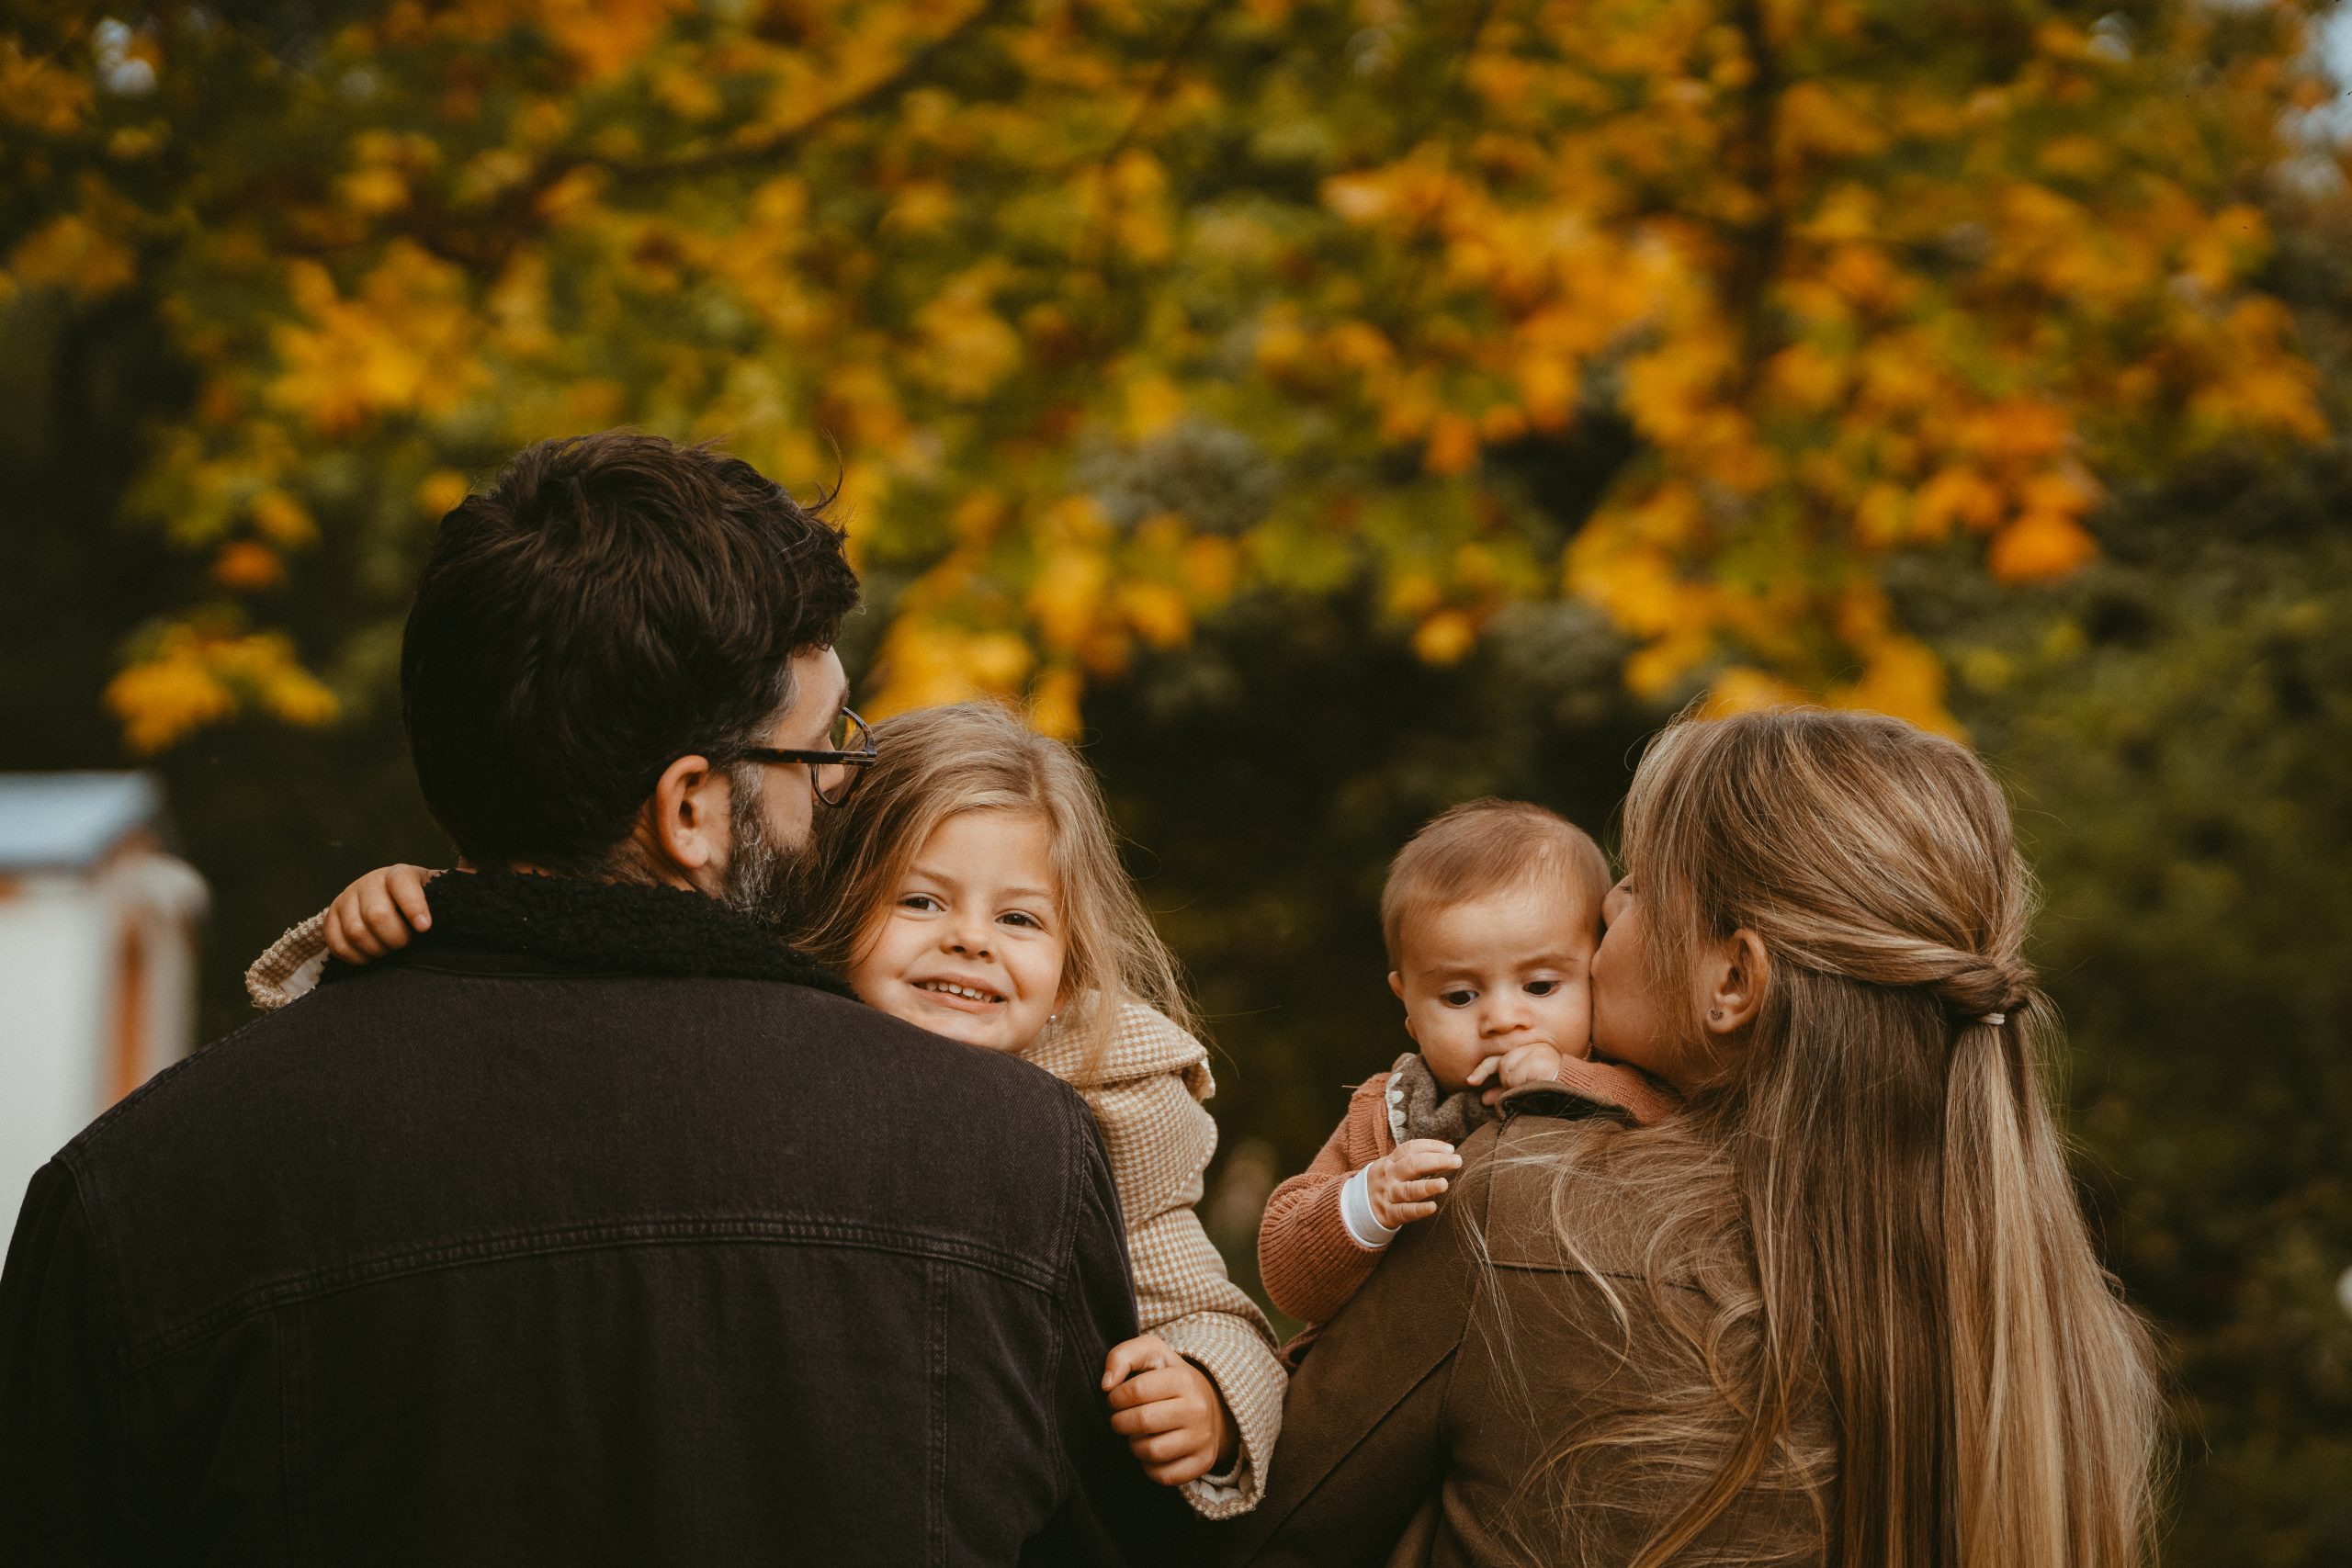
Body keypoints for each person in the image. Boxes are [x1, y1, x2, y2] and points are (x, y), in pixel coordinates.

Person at [0, 432, 1193, 1564]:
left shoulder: (134, 1194)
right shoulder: (1002, 1158)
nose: (839, 798)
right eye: (823, 751)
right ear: (687, 809)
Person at [248, 702, 1289, 1518]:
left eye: (1019, 918)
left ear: (1068, 968)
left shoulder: (1114, 1110)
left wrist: (1205, 1391)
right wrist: (403, 914)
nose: (970, 940)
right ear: (838, 910)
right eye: (921, 901)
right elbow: (442, 1005)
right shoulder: (754, 1044)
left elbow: (1206, 1303)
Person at [1221, 709, 2164, 1568]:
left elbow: (1259, 1532)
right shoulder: (2064, 1344)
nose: (1604, 918)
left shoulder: (1524, 1214)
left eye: (1632, 888)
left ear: (1733, 982)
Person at [1254, 800, 1674, 1337]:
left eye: (1540, 987)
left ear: (1595, 969)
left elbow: (1682, 1137)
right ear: (1407, 1005)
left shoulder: (1627, 1078)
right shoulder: (1391, 1115)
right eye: (1459, 996)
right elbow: (1289, 1279)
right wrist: (1366, 1200)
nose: (1502, 1019)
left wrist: (1566, 1079)